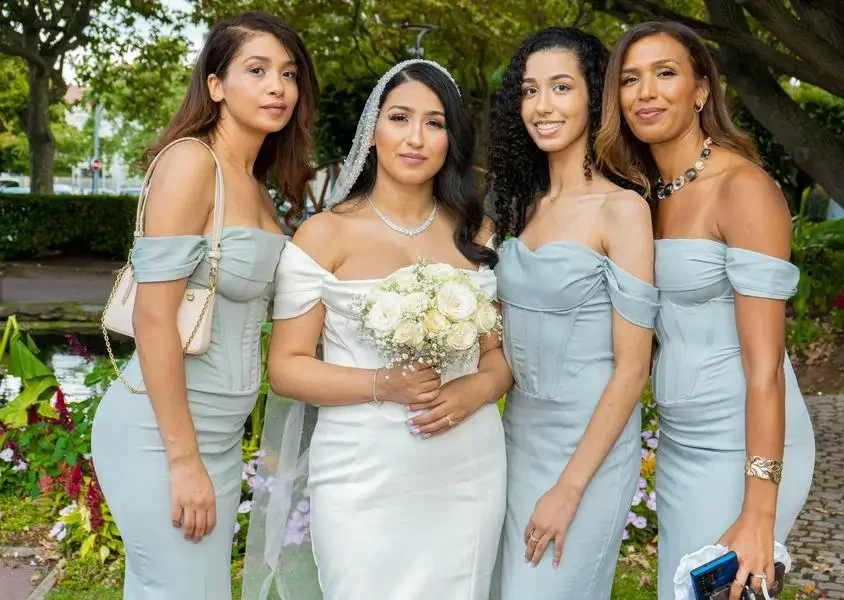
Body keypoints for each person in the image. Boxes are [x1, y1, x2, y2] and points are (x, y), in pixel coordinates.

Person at [244, 59, 510, 600]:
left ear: (451, 138)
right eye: (400, 118)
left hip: (466, 467)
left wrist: (475, 390)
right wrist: (379, 385)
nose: (415, 138)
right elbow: (286, 369)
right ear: (373, 131)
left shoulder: (474, 235)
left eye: (434, 123)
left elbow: (498, 357)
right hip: (362, 471)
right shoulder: (325, 234)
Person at [90, 12, 319, 599]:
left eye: (289, 74)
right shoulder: (192, 162)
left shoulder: (258, 182)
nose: (278, 87)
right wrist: (183, 460)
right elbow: (153, 317)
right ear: (215, 85)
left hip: (218, 438)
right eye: (257, 70)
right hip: (160, 437)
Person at [597, 20, 816, 600]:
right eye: (630, 79)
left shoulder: (742, 189)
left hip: (748, 447)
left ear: (700, 91)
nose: (645, 92)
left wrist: (759, 513)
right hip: (679, 443)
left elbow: (765, 367)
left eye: (665, 74)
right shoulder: (641, 194)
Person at [488, 27, 659, 600]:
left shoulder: (623, 209)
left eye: (561, 87)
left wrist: (569, 488)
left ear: (594, 97)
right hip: (514, 440)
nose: (542, 106)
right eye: (530, 90)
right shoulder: (519, 206)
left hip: (589, 451)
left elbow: (633, 369)